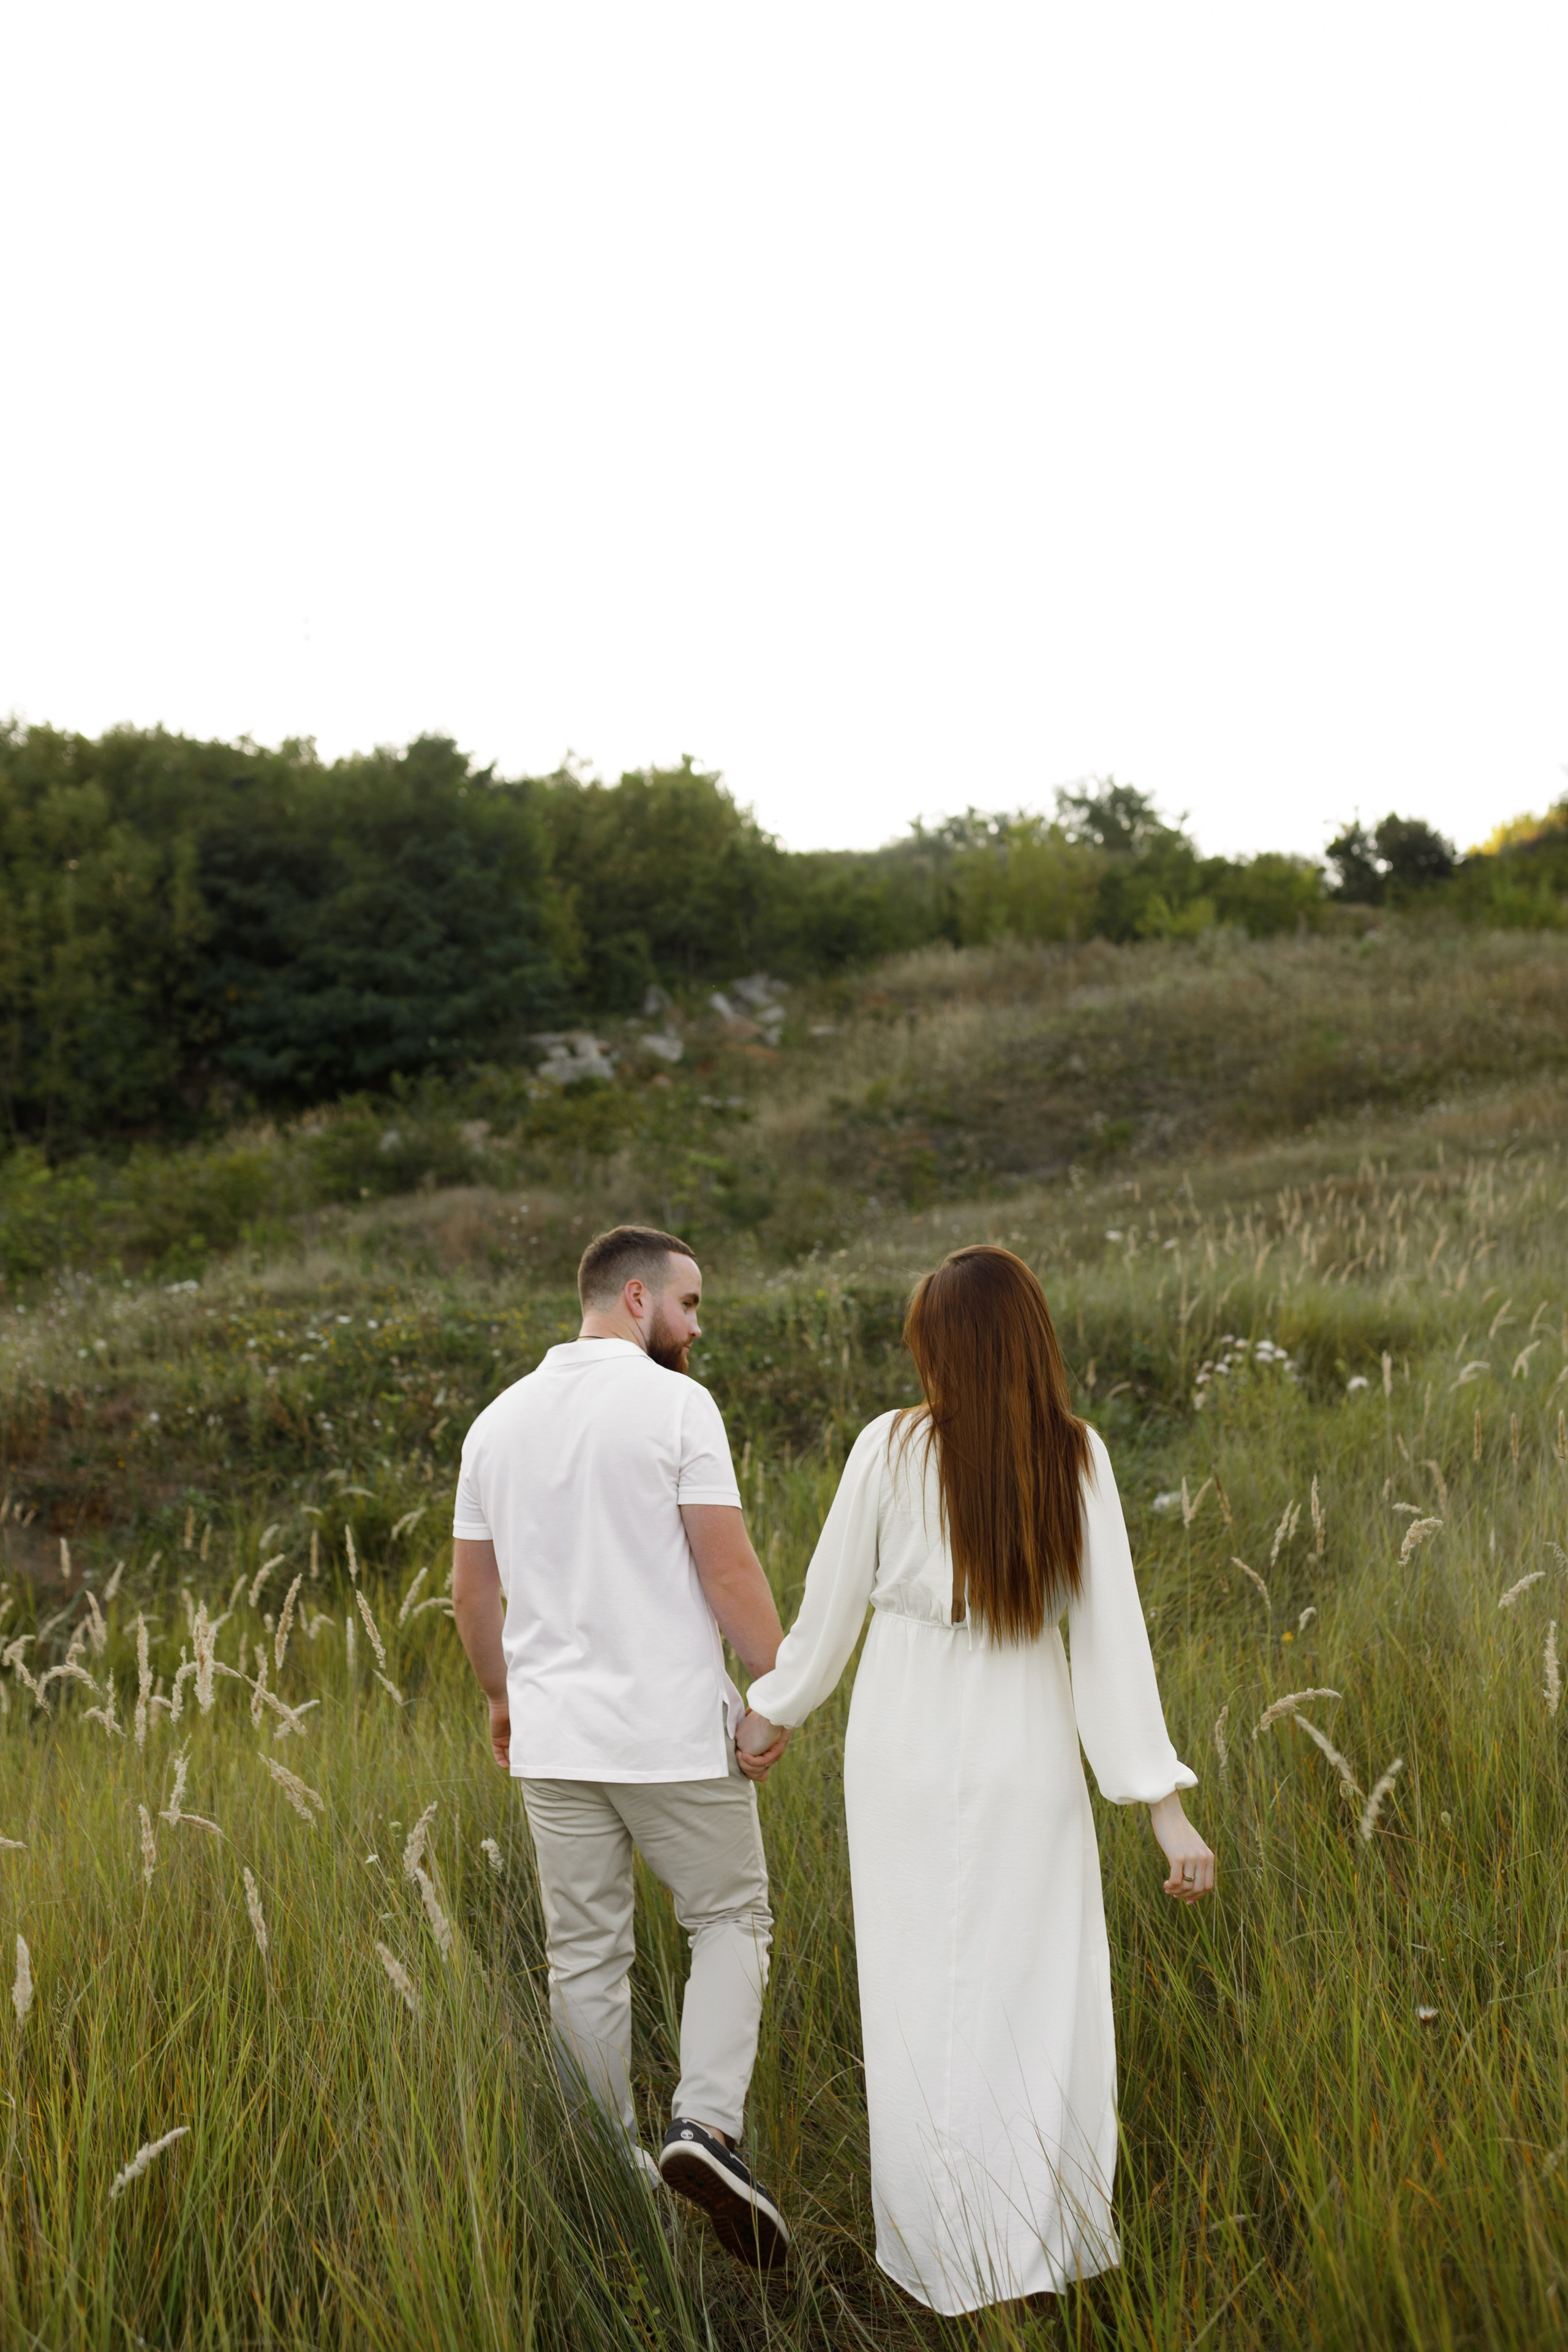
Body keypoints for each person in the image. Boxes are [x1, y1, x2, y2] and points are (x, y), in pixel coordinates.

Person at [739, 1245, 1213, 2315]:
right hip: (1024, 1739)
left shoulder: (888, 1445)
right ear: (1033, 1336)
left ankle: (945, 2254)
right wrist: (1164, 1812)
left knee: (918, 2000)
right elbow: (1112, 1646)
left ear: (939, 1345)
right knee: (1035, 1999)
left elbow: (831, 1607)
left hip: (903, 1741)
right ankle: (1033, 2250)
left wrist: (771, 1712)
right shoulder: (1076, 1457)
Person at [450, 1224, 791, 2269]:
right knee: (731, 1916)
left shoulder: (497, 1422)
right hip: (669, 1735)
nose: (695, 1330)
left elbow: (472, 1589)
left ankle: (606, 2174)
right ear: (637, 1298)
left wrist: (504, 1700)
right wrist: (780, 1691)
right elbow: (728, 1572)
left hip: (556, 1741)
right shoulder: (676, 1404)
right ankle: (705, 2129)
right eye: (690, 1307)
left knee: (585, 1956)